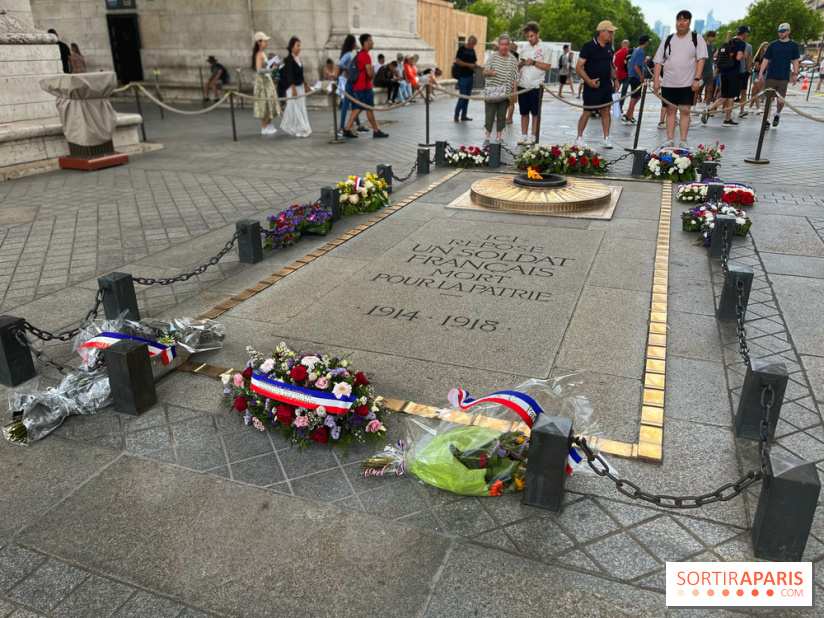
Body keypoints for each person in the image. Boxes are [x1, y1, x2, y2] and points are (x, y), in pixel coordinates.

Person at [652, 10, 707, 149]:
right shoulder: (668, 39)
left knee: (685, 111)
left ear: (689, 22)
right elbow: (658, 61)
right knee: (670, 111)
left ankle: (683, 140)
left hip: (687, 83)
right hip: (669, 83)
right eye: (678, 20)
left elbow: (701, 59)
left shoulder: (696, 38)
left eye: (684, 20)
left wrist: (696, 79)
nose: (681, 23)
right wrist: (656, 80)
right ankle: (669, 138)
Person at [575, 20, 619, 149]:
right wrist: (588, 81)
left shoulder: (609, 47)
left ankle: (606, 138)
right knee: (587, 111)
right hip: (592, 85)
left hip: (606, 85)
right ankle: (579, 137)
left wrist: (615, 79)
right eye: (610, 31)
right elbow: (579, 67)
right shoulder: (588, 46)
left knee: (606, 111)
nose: (612, 34)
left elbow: (610, 65)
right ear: (602, 32)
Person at [341, 33, 389, 139]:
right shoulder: (365, 55)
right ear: (365, 42)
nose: (372, 42)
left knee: (358, 108)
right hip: (365, 87)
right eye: (370, 40)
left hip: (359, 86)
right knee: (368, 108)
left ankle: (347, 128)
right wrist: (372, 76)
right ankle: (376, 131)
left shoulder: (360, 54)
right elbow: (369, 72)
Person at [703, 26, 748, 127]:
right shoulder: (741, 43)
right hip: (734, 72)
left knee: (724, 96)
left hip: (724, 72)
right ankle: (727, 119)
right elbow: (738, 57)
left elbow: (715, 55)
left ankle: (708, 110)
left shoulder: (728, 42)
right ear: (744, 33)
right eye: (747, 33)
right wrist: (744, 55)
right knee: (730, 96)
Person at [758, 23, 801, 129]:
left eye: (783, 31)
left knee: (780, 100)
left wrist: (795, 74)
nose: (781, 33)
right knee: (769, 99)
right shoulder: (773, 44)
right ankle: (767, 120)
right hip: (771, 75)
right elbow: (766, 59)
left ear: (788, 31)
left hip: (784, 76)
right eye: (779, 31)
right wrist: (760, 73)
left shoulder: (793, 45)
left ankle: (777, 114)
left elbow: (795, 60)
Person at [517, 22, 551, 145]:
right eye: (528, 36)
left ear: (537, 34)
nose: (529, 39)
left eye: (531, 36)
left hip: (537, 85)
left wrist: (533, 62)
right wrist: (521, 63)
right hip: (523, 84)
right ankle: (524, 135)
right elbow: (517, 66)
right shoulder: (523, 48)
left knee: (535, 113)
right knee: (523, 111)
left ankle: (533, 136)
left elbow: (547, 66)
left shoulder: (546, 49)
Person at [482, 34, 519, 147]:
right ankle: (487, 137)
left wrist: (515, 92)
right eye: (502, 44)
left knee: (502, 116)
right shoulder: (493, 57)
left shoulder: (512, 60)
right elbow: (484, 72)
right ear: (499, 45)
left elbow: (515, 77)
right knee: (489, 115)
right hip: (492, 92)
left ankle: (499, 137)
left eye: (506, 44)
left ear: (509, 46)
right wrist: (490, 73)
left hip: (505, 93)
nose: (504, 47)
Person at [279, 37, 312, 137]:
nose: (299, 48)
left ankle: (293, 126)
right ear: (292, 47)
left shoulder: (298, 59)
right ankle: (301, 128)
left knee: (299, 106)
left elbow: (300, 74)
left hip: (300, 85)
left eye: (300, 45)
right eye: (298, 46)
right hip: (292, 87)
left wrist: (306, 84)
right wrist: (293, 89)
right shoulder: (289, 60)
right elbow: (290, 75)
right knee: (295, 107)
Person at [337, 35, 367, 136]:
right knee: (347, 104)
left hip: (349, 79)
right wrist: (346, 69)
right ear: (352, 43)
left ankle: (358, 125)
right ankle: (342, 127)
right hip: (349, 80)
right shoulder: (349, 54)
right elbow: (340, 63)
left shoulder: (346, 53)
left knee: (355, 104)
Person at [252, 32, 278, 135]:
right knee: (264, 102)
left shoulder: (262, 54)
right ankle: (264, 126)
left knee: (270, 102)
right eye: (265, 41)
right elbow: (259, 70)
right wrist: (270, 70)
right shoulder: (259, 54)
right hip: (262, 81)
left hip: (266, 80)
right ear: (259, 42)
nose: (266, 43)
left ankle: (267, 125)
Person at [622, 34, 650, 124]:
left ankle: (628, 115)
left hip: (631, 75)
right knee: (635, 97)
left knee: (636, 96)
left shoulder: (635, 50)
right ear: (646, 42)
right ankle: (628, 116)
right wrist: (641, 77)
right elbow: (636, 66)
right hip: (636, 76)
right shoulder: (641, 52)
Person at [454, 35, 479, 122]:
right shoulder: (461, 50)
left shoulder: (472, 51)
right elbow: (457, 61)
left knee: (467, 97)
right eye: (472, 43)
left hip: (470, 76)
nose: (473, 45)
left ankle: (464, 115)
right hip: (463, 76)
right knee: (462, 96)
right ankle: (456, 114)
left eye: (474, 44)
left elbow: (474, 61)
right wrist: (469, 65)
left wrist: (475, 65)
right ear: (468, 41)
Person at [748, 42, 769, 112]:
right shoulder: (758, 57)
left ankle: (750, 107)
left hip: (764, 74)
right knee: (757, 92)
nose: (767, 49)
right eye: (766, 47)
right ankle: (758, 108)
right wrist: (764, 63)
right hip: (757, 74)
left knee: (755, 92)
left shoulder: (767, 56)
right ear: (762, 48)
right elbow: (757, 68)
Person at [737, 37, 753, 117]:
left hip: (743, 71)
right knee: (731, 92)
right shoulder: (734, 43)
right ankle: (726, 108)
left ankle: (742, 110)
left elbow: (750, 59)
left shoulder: (749, 46)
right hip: (734, 71)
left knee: (743, 91)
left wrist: (748, 69)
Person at [613, 39, 630, 110]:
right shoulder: (630, 52)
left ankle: (612, 105)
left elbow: (613, 65)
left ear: (621, 45)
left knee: (615, 90)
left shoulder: (616, 54)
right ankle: (620, 106)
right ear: (628, 45)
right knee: (624, 92)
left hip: (618, 74)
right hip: (627, 74)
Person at [505, 42, 520, 124]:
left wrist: (515, 89)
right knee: (509, 102)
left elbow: (515, 75)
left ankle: (509, 118)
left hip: (512, 82)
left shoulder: (512, 60)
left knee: (511, 102)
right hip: (508, 82)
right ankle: (509, 117)